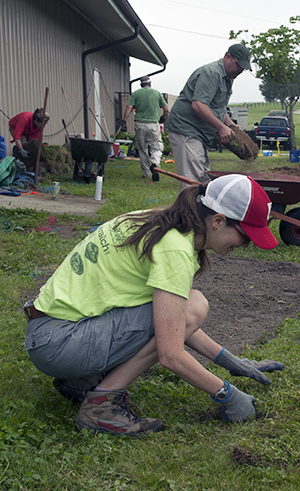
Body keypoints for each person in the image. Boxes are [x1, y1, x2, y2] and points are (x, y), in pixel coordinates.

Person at [24, 174, 285, 436]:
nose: (243, 245)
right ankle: (101, 405)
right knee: (195, 305)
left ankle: (82, 380)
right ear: (218, 221)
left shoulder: (165, 222)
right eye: (246, 237)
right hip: (60, 342)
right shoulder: (175, 250)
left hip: (51, 333)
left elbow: (170, 319)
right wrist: (227, 394)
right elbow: (171, 353)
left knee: (190, 306)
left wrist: (230, 361)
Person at [166, 44, 252, 186]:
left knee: (202, 177)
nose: (240, 71)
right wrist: (221, 127)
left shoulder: (227, 78)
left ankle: (200, 207)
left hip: (199, 133)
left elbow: (217, 107)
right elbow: (199, 105)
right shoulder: (211, 73)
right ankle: (191, 208)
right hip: (186, 129)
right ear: (228, 57)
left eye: (243, 69)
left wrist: (230, 125)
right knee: (193, 183)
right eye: (238, 66)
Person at [121, 76, 170, 182]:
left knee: (142, 149)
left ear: (141, 85)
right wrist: (163, 117)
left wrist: (124, 120)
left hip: (139, 125)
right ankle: (155, 164)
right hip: (153, 124)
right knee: (157, 148)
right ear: (150, 84)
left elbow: (129, 107)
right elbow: (166, 109)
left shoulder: (136, 94)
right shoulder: (157, 93)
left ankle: (146, 173)